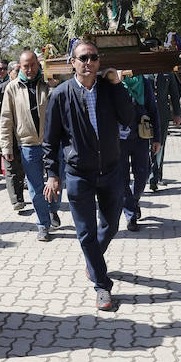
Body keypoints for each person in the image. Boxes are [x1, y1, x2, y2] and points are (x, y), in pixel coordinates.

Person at [42, 41, 135, 310]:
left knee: (111, 226)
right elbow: (51, 139)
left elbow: (128, 117)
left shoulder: (109, 89)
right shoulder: (60, 94)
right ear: (73, 62)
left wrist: (118, 85)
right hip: (78, 174)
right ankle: (102, 285)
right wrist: (52, 173)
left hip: (111, 170)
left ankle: (92, 264)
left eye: (93, 57)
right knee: (86, 233)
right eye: (83, 58)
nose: (88, 62)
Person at [1, 51, 60, 240]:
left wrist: (54, 85)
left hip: (52, 143)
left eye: (33, 64)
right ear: (20, 66)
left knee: (58, 183)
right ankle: (43, 224)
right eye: (25, 66)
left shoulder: (48, 83)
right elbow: (6, 119)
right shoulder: (12, 88)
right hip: (28, 145)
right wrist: (6, 147)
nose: (30, 69)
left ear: (38, 64)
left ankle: (53, 209)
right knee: (35, 188)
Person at [119, 74, 161, 231]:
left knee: (143, 175)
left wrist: (157, 138)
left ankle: (133, 201)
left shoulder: (143, 82)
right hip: (118, 140)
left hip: (141, 137)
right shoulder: (113, 80)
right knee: (121, 178)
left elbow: (153, 109)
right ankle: (130, 215)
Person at [0, 61, 26, 208]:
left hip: (21, 135)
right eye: (16, 71)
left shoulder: (24, 88)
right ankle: (16, 200)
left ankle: (20, 197)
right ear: (10, 73)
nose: (18, 74)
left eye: (20, 70)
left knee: (21, 168)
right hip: (5, 136)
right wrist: (0, 126)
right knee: (10, 168)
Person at [148, 73, 181, 191]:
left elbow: (174, 93)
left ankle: (156, 175)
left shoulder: (167, 72)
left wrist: (177, 114)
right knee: (148, 144)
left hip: (162, 114)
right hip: (145, 114)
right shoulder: (143, 70)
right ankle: (152, 176)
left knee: (160, 144)